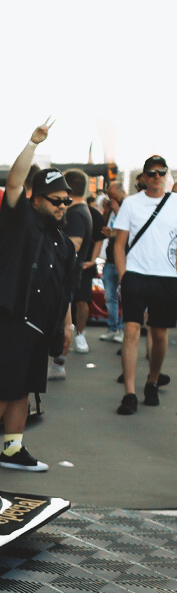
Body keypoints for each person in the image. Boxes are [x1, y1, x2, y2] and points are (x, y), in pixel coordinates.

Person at [0, 122, 76, 474]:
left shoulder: (63, 243)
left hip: (40, 326)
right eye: (56, 201)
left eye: (66, 201)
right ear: (36, 198)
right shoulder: (19, 219)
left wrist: (66, 326)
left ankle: (13, 450)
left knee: (24, 388)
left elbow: (65, 288)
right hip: (9, 318)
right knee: (1, 385)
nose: (62, 206)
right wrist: (32, 143)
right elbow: (14, 182)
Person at [112, 153, 177, 413]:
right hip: (136, 274)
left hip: (167, 277)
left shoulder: (175, 203)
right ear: (144, 176)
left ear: (166, 174)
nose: (157, 177)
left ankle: (153, 381)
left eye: (162, 172)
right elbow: (119, 244)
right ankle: (129, 393)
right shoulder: (131, 203)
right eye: (152, 172)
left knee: (159, 334)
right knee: (131, 331)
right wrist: (124, 276)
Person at [64, 170, 100, 353]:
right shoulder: (79, 211)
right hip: (75, 270)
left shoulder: (76, 214)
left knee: (66, 317)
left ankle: (61, 357)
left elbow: (73, 246)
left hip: (72, 272)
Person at [98, 180, 125, 342]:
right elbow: (101, 227)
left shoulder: (127, 208)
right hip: (109, 259)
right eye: (109, 196)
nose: (111, 199)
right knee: (110, 297)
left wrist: (118, 210)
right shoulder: (110, 210)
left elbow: (128, 231)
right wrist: (107, 211)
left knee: (125, 297)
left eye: (114, 196)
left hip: (124, 260)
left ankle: (122, 330)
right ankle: (112, 328)